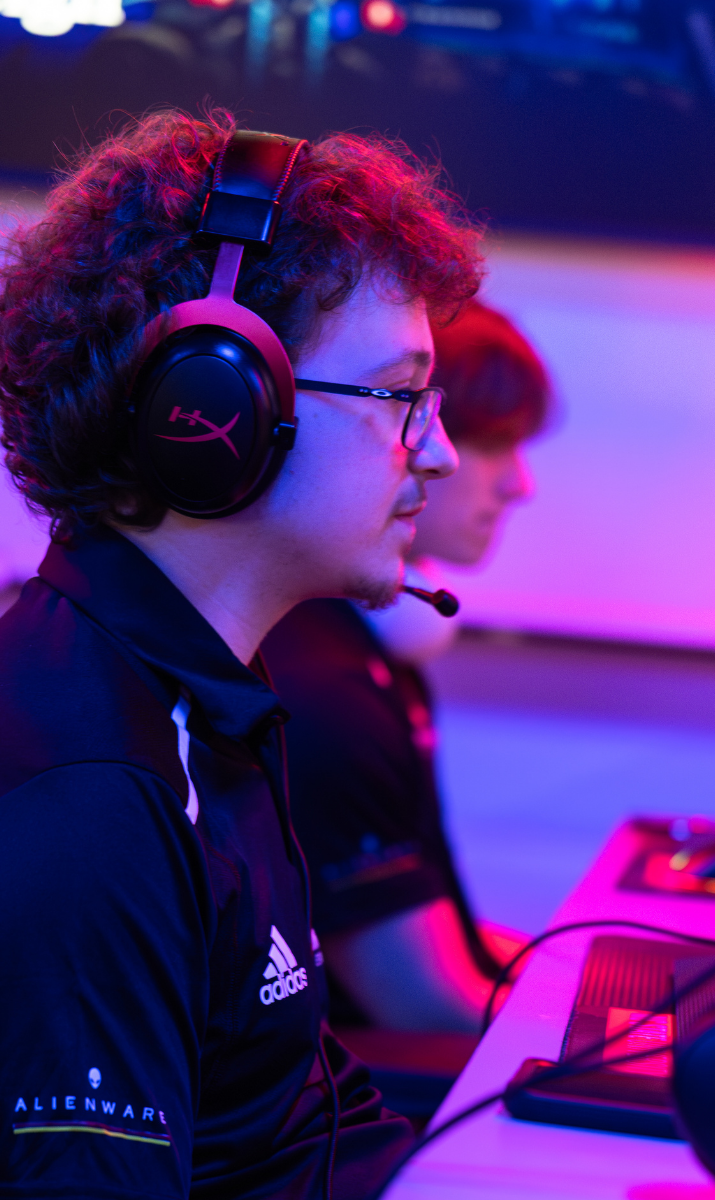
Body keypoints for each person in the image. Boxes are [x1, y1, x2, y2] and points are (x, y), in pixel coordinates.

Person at [0, 111, 483, 1200]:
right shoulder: (88, 817)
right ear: (215, 409)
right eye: (398, 397)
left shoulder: (203, 709)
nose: (442, 453)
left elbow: (295, 1125)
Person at [263, 300, 550, 1034]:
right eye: (495, 443)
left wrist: (587, 989)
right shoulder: (328, 698)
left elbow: (453, 948)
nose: (519, 484)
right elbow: (423, 1004)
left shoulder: (376, 655)